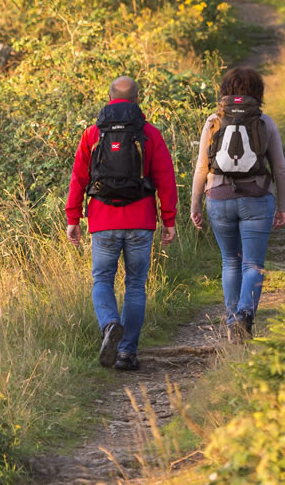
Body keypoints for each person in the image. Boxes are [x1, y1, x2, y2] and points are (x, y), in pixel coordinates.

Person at [65, 76, 179, 371]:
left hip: (103, 220)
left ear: (109, 96)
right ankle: (127, 353)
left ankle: (109, 325)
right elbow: (166, 179)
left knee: (102, 280)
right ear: (137, 99)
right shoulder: (150, 133)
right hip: (141, 221)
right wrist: (169, 219)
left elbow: (79, 177)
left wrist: (73, 218)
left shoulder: (92, 134)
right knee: (136, 285)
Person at [190, 66, 285, 339]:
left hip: (219, 200)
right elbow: (279, 169)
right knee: (253, 263)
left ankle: (234, 320)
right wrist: (282, 206)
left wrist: (195, 205)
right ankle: (245, 314)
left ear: (225, 91)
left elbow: (201, 168)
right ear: (258, 93)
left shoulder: (213, 122)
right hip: (257, 199)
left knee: (230, 262)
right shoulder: (265, 122)